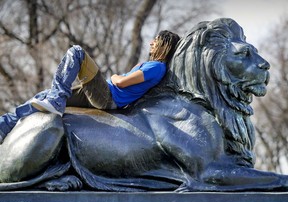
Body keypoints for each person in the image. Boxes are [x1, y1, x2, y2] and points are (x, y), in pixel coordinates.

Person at [0, 30, 180, 143]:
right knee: (43, 96)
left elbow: (121, 82)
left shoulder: (157, 67)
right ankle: (4, 126)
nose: (151, 43)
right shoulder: (152, 66)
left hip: (107, 96)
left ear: (164, 44)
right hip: (100, 94)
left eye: (156, 40)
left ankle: (56, 101)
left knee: (77, 52)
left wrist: (115, 76)